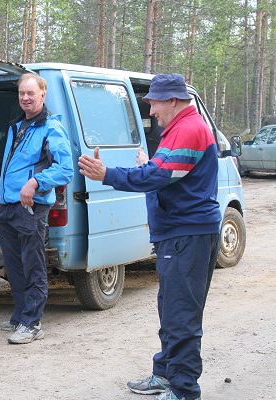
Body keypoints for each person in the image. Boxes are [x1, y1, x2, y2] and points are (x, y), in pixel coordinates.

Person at [78, 73, 221, 400]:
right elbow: (163, 169)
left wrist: (108, 174)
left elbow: (159, 174)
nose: (152, 111)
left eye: (154, 103)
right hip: (179, 234)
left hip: (188, 234)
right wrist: (149, 166)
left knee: (181, 315)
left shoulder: (189, 129)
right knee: (171, 309)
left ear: (172, 100)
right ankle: (165, 374)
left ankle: (184, 390)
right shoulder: (180, 129)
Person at [0, 72, 74, 345]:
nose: (26, 98)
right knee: (14, 265)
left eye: (31, 93)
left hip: (31, 207)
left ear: (43, 95)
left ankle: (32, 322)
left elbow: (66, 169)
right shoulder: (17, 126)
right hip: (7, 205)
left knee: (33, 265)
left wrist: (36, 182)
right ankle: (20, 314)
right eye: (22, 93)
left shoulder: (51, 128)